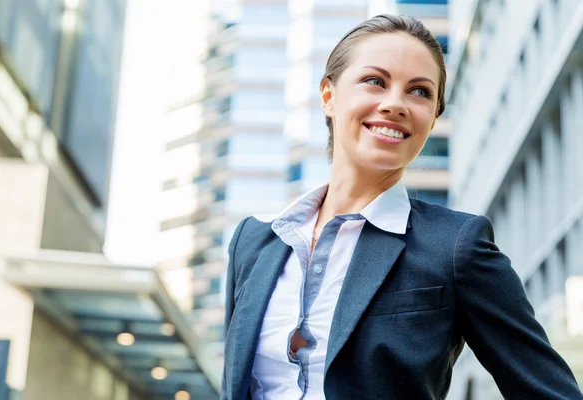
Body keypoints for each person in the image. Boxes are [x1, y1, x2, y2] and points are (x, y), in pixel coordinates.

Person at [220, 14, 583, 400]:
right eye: (375, 81)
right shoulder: (253, 242)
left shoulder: (456, 246)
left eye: (420, 92)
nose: (395, 104)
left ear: (433, 117)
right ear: (329, 95)